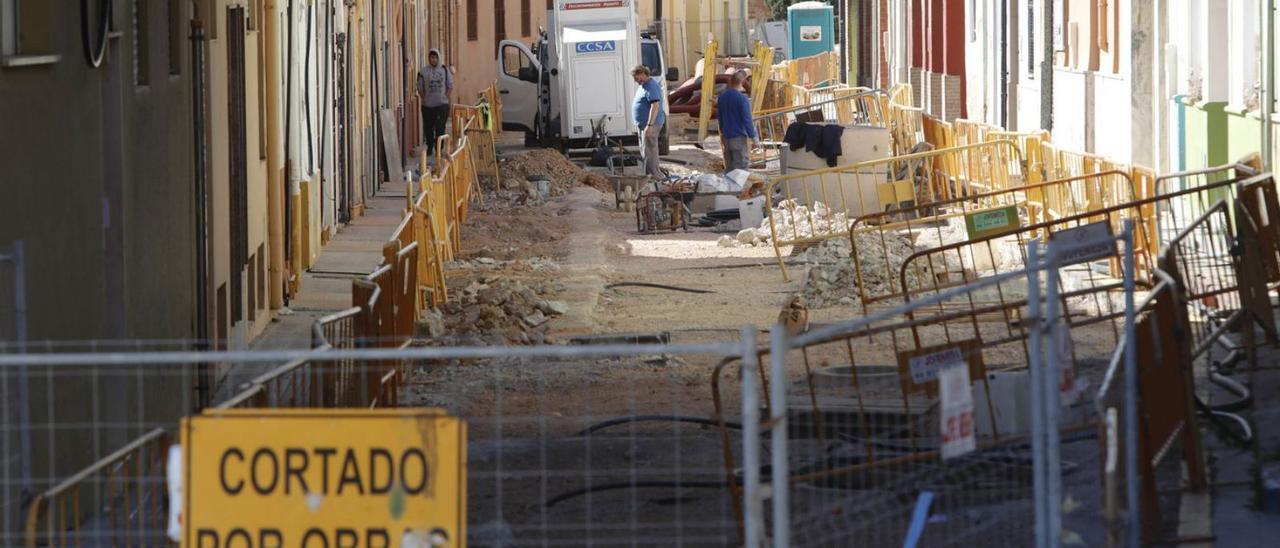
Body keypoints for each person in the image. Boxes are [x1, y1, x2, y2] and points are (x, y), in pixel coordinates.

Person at [717, 70, 758, 173]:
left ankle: (729, 188)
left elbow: (720, 118)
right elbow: (747, 119)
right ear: (742, 82)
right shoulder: (742, 99)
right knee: (740, 169)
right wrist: (753, 136)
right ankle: (738, 189)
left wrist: (722, 132)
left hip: (727, 137)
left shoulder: (722, 97)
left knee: (730, 168)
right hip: (739, 138)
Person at [631, 65, 667, 179]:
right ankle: (650, 173)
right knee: (645, 149)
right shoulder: (644, 85)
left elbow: (655, 105)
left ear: (643, 74)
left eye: (637, 78)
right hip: (644, 124)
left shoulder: (651, 86)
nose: (636, 81)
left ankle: (654, 175)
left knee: (650, 149)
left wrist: (650, 125)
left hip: (651, 124)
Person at [418, 49, 453, 159]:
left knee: (440, 127)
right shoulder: (423, 72)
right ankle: (429, 147)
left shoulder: (444, 70)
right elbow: (420, 87)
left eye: (435, 57)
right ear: (429, 58)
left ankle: (439, 148)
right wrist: (425, 98)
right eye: (431, 57)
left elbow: (450, 85)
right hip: (428, 106)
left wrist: (445, 96)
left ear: (438, 58)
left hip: (441, 105)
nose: (433, 59)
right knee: (428, 128)